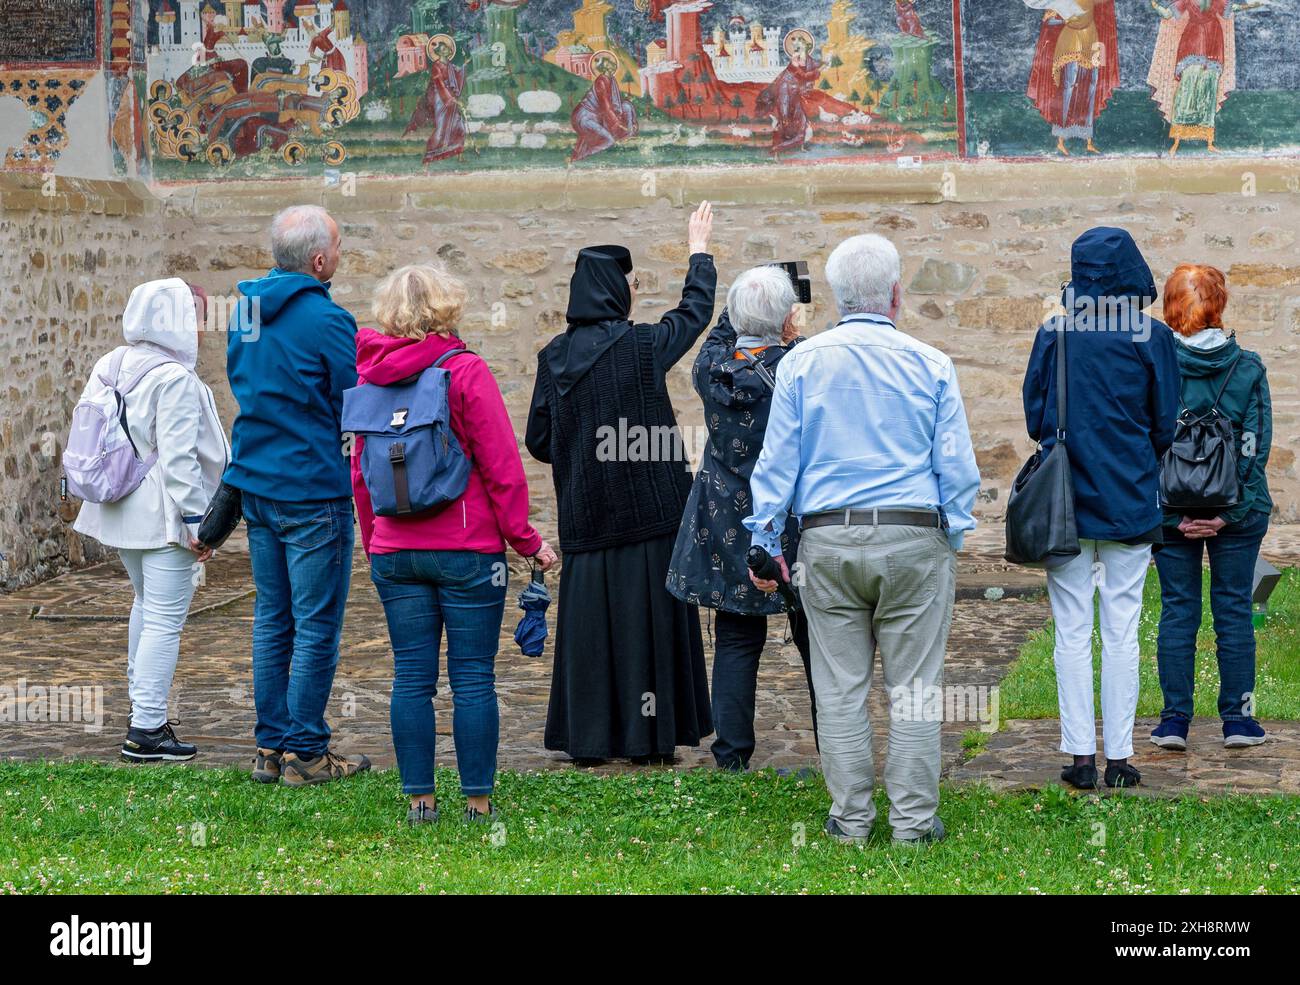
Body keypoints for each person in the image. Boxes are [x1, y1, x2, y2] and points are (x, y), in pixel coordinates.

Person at [745, 234, 980, 845]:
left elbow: (777, 464)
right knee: (917, 689)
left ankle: (850, 821)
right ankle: (912, 822)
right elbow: (956, 467)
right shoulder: (931, 364)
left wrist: (766, 538)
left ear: (835, 298)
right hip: (912, 534)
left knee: (839, 687)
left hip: (827, 538)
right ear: (896, 295)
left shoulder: (799, 363)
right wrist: (949, 535)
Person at [352, 264, 558, 825]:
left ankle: (420, 798)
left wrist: (376, 546)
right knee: (473, 676)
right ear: (447, 308)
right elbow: (500, 466)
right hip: (468, 550)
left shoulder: (369, 381)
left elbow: (361, 476)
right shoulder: (464, 371)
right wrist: (526, 540)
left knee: (410, 676)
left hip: (396, 551)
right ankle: (477, 800)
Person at [525, 202, 716, 765]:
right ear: (617, 291)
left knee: (592, 634)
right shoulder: (641, 346)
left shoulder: (552, 357)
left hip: (586, 517)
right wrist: (699, 252)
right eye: (631, 283)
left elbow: (539, 439)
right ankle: (646, 741)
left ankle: (590, 741)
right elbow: (695, 312)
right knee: (646, 632)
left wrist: (579, 444)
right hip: (650, 518)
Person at [1021, 227, 1181, 791]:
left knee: (1070, 630)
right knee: (1121, 628)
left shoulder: (1055, 332)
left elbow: (1037, 419)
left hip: (1065, 500)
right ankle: (1119, 757)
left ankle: (1079, 757)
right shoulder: (1151, 336)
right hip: (1131, 497)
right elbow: (1166, 423)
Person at [223, 205, 371, 786]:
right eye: (337, 245)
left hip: (258, 483)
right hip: (312, 488)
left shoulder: (245, 313)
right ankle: (306, 752)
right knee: (315, 624)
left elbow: (247, 386)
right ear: (318, 260)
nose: (340, 253)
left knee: (272, 620)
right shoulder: (329, 320)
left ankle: (269, 748)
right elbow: (352, 398)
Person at [666, 265, 818, 771]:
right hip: (792, 515)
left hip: (728, 512)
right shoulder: (802, 365)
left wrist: (745, 308)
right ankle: (836, 746)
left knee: (736, 637)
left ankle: (731, 756)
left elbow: (719, 336)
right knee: (816, 638)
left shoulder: (710, 371)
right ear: (788, 319)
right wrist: (787, 325)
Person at [73, 278, 228, 762]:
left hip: (118, 507)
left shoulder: (111, 362)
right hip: (162, 515)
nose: (201, 328)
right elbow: (181, 461)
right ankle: (146, 730)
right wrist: (199, 523)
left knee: (146, 607)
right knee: (164, 619)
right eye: (196, 317)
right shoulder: (175, 378)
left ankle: (145, 713)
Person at [1151, 263, 1273, 751]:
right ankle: (1238, 722)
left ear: (1170, 309)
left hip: (1172, 510)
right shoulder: (1249, 367)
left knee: (1179, 611)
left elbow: (1148, 443)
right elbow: (1255, 446)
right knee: (1235, 611)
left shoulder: (1157, 365)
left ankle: (1174, 722)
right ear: (1219, 305)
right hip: (1239, 515)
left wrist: (1177, 514)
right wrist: (1227, 512)